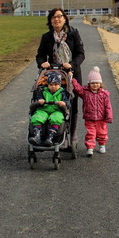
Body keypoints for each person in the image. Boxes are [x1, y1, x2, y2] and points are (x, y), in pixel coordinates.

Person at [35, 8, 85, 140]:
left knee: (72, 103)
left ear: (64, 18)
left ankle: (72, 133)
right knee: (53, 103)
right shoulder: (46, 37)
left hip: (71, 74)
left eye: (59, 16)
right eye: (53, 17)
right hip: (53, 76)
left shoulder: (74, 34)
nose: (56, 19)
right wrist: (42, 63)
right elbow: (40, 56)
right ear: (50, 21)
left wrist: (72, 64)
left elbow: (81, 54)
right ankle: (56, 133)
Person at [71, 66, 112, 156]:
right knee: (91, 133)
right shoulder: (85, 92)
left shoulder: (104, 94)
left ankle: (102, 145)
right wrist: (73, 80)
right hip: (89, 118)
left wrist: (109, 116)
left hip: (102, 118)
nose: (95, 85)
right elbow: (78, 89)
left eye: (97, 83)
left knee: (102, 133)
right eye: (93, 83)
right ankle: (90, 147)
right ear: (89, 84)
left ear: (100, 83)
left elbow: (108, 106)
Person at [29, 70, 70, 146]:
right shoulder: (43, 92)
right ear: (47, 85)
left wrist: (63, 103)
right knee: (37, 117)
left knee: (56, 118)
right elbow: (38, 99)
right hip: (43, 109)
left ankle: (50, 137)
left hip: (56, 110)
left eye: (55, 84)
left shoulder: (62, 93)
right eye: (51, 84)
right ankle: (37, 136)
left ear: (59, 85)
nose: (53, 86)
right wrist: (40, 101)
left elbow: (67, 103)